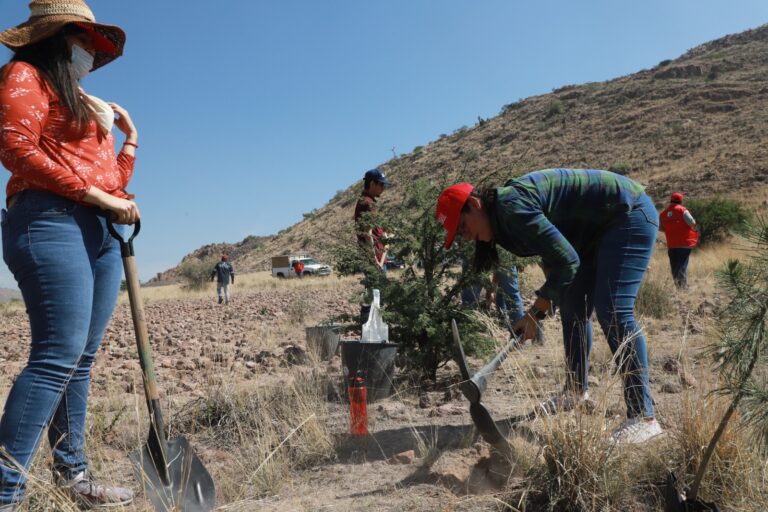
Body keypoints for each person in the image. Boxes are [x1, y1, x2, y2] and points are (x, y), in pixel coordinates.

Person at [0, 1, 138, 508]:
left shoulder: (79, 101)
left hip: (99, 230)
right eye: (84, 40)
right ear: (58, 38)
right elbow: (15, 148)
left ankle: (73, 477)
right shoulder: (23, 76)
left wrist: (130, 143)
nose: (90, 52)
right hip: (49, 220)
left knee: (80, 360)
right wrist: (94, 196)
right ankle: (5, 493)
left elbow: (111, 182)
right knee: (57, 356)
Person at [436, 168, 662, 444]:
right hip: (590, 235)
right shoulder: (501, 222)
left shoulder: (510, 207)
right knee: (571, 307)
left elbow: (567, 262)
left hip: (627, 214)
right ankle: (576, 392)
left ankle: (643, 418)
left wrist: (535, 311)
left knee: (613, 309)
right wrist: (549, 297)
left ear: (474, 204)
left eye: (462, 227)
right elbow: (551, 250)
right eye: (458, 235)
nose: (465, 236)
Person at [354, 167, 391, 274]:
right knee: (378, 290)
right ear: (372, 184)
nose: (383, 188)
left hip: (378, 258)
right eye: (381, 184)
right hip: (375, 262)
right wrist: (375, 261)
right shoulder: (367, 203)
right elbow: (367, 233)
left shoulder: (367, 201)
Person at [659, 192, 698, 288]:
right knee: (682, 265)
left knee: (674, 266)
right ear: (681, 200)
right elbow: (692, 222)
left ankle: (678, 286)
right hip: (684, 243)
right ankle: (683, 288)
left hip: (671, 244)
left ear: (671, 200)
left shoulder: (663, 213)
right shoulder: (682, 210)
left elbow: (660, 228)